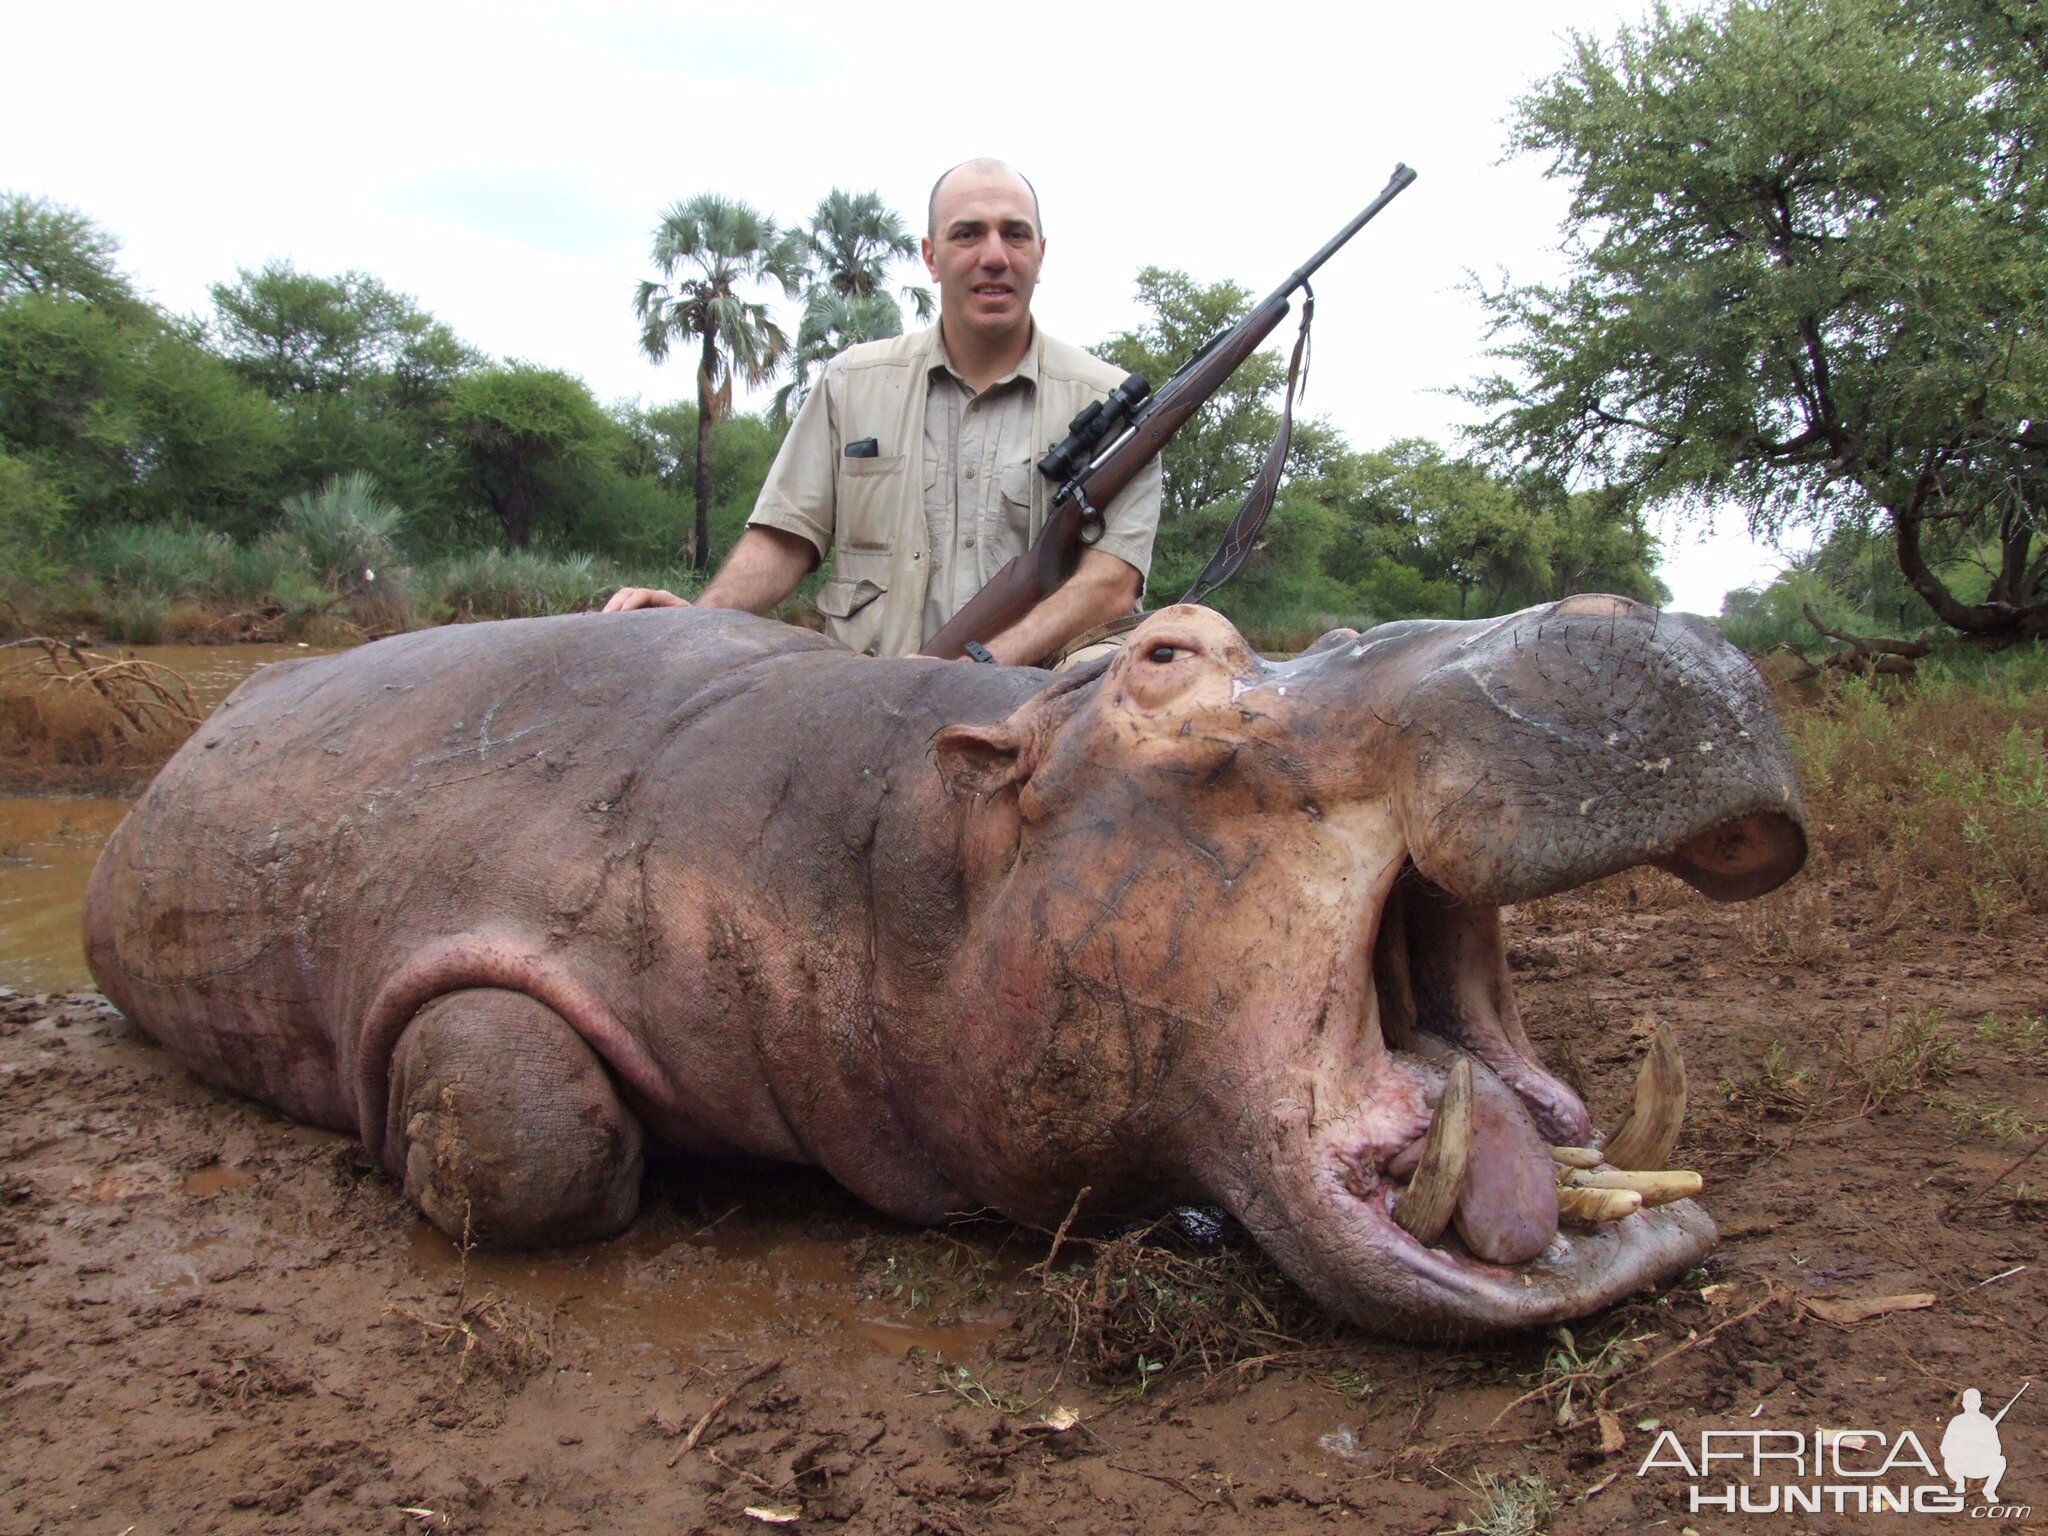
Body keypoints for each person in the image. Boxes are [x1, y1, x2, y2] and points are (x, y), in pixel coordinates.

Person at [604, 159, 1162, 665]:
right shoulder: (851, 382)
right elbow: (786, 539)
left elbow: (1108, 586)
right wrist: (696, 624)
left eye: (1015, 234)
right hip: (868, 719)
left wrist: (967, 674)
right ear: (931, 256)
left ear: (1041, 254)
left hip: (1042, 728)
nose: (995, 256)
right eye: (967, 234)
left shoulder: (1116, 409)